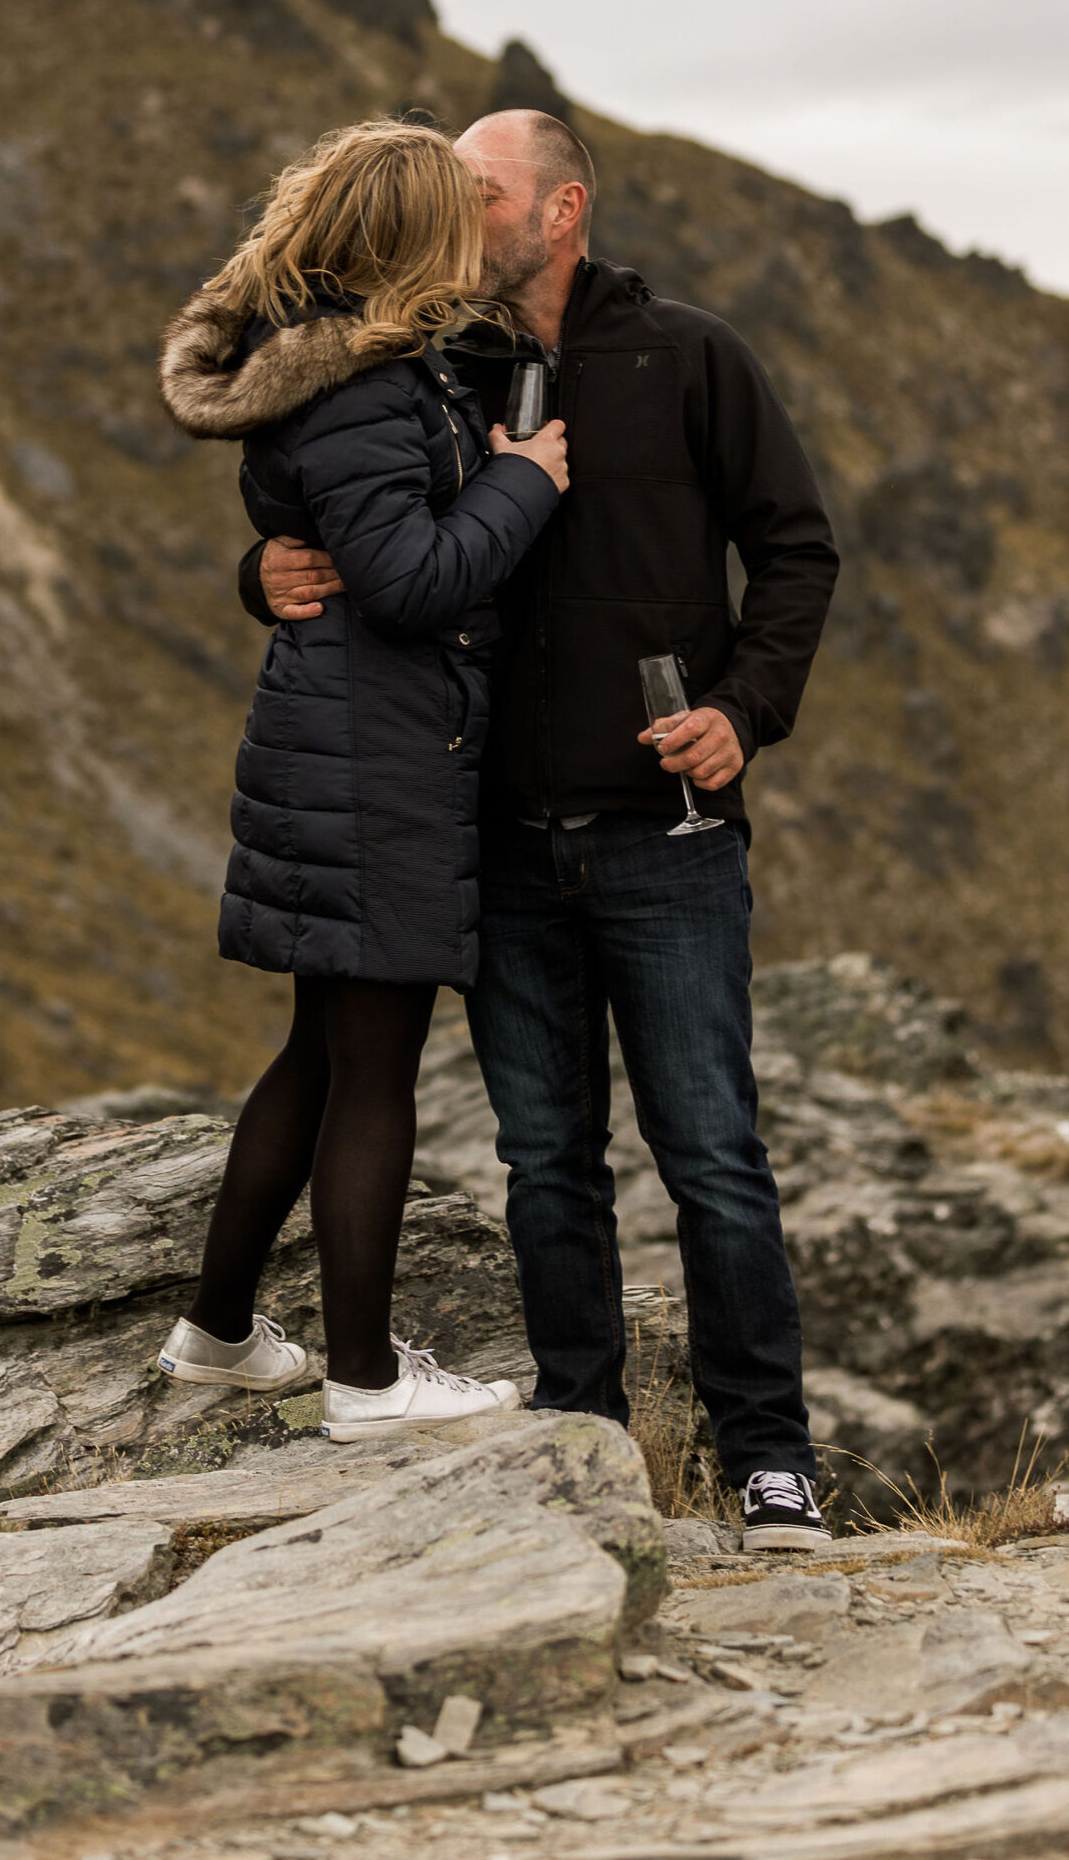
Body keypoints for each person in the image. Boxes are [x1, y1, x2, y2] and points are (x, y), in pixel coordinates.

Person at [244, 108, 841, 1544]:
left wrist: (744, 714)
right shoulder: (429, 363)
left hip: (669, 833)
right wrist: (257, 574)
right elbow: (358, 530)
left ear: (561, 210)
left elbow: (797, 547)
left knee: (710, 1157)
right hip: (495, 838)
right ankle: (589, 1450)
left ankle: (771, 1462)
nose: (456, 205)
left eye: (481, 188)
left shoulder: (689, 355)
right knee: (544, 1162)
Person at [156, 117, 569, 1441]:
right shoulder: (373, 387)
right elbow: (407, 580)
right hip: (373, 759)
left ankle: (218, 1335)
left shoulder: (360, 366)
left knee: (319, 1056)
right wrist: (522, 485)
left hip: (342, 743)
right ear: (415, 237)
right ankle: (366, 1382)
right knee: (372, 1069)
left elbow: (326, 542)